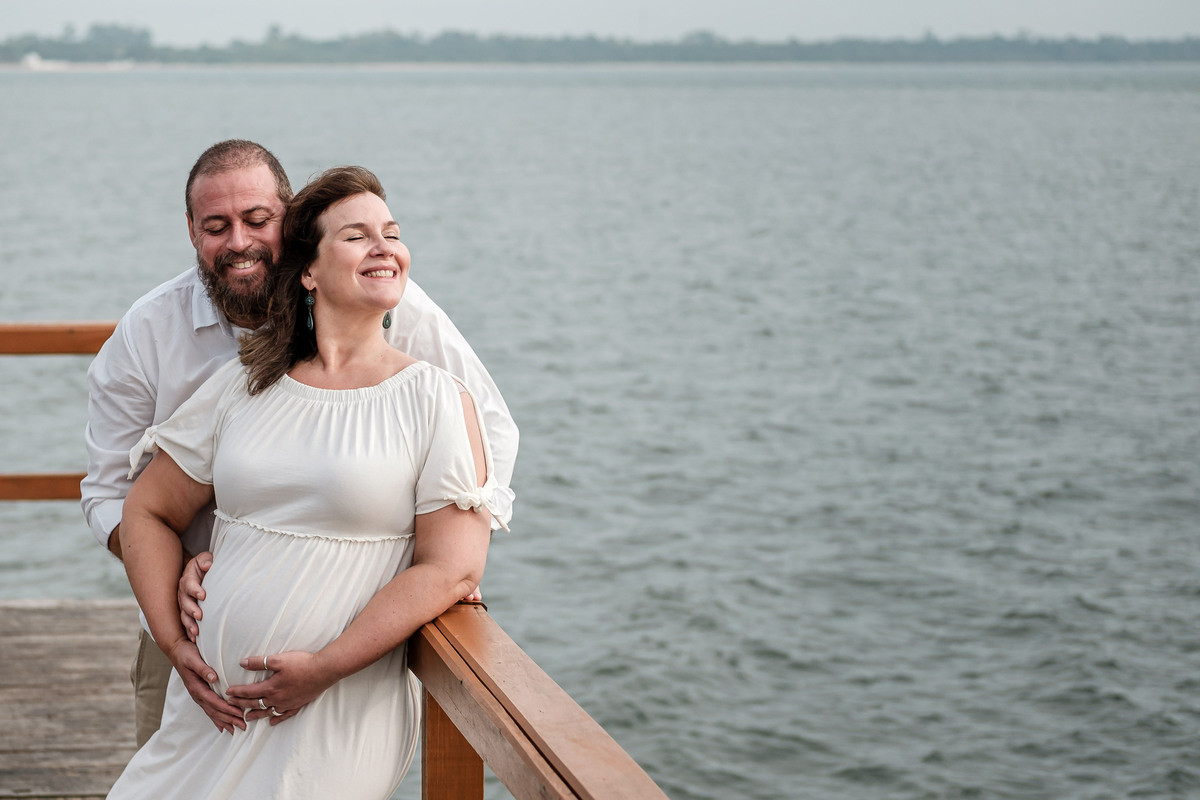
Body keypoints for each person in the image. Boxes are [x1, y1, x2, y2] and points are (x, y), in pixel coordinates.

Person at [81, 140, 517, 746]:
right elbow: (110, 492)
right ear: (190, 232)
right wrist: (177, 577)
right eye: (215, 226)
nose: (238, 242)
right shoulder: (151, 332)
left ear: (289, 217)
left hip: (341, 655)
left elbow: (485, 426)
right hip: (187, 640)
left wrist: (448, 556)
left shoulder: (390, 305)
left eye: (257, 220)